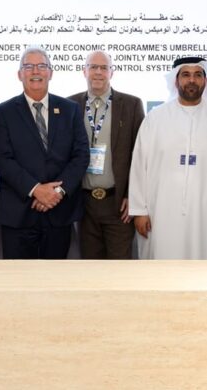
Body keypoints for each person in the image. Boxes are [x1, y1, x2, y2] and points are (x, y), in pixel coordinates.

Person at [128, 57, 207, 259]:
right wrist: (140, 210)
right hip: (163, 211)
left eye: (197, 75)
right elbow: (140, 166)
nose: (191, 80)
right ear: (176, 81)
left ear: (206, 81)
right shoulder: (155, 118)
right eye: (185, 75)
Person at [0, 47, 89, 259]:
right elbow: (2, 159)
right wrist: (35, 190)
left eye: (42, 66)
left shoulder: (70, 109)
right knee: (18, 277)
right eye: (28, 66)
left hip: (59, 212)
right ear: (20, 74)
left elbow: (81, 155)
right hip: (18, 214)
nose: (35, 71)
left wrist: (57, 192)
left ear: (50, 73)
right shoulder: (2, 112)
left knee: (54, 277)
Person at [68, 51, 145, 259]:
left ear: (112, 72)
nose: (98, 72)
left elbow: (140, 157)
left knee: (119, 269)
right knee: (90, 268)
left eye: (104, 67)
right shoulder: (70, 105)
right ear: (84, 71)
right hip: (84, 205)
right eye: (93, 67)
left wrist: (133, 196)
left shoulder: (131, 105)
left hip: (118, 204)